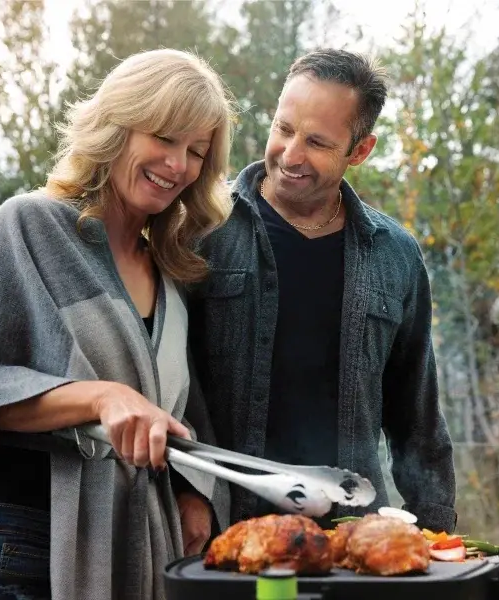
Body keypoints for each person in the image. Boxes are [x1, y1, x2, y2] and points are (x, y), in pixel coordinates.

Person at [0, 48, 236, 600]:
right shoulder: (28, 226)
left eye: (196, 152)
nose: (177, 165)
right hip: (24, 539)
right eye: (165, 138)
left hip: (135, 539)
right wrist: (102, 397)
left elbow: (180, 409)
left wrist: (194, 491)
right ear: (117, 126)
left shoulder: (169, 274)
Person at [188, 49, 457, 533]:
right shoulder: (202, 227)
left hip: (349, 538)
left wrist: (436, 536)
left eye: (316, 142)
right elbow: (165, 387)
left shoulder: (395, 256)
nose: (291, 154)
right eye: (284, 128)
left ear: (360, 150)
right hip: (220, 530)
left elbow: (417, 420)